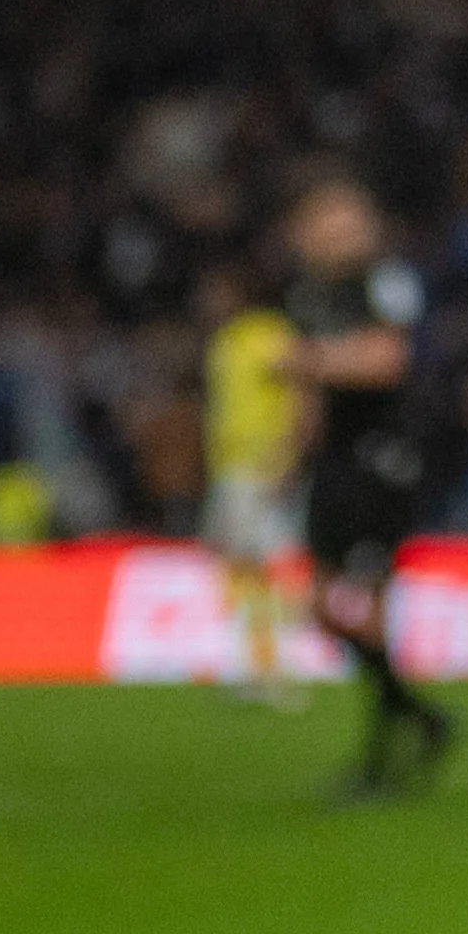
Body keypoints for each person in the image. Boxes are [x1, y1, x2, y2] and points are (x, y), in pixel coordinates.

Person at [281, 173, 457, 798]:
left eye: (351, 216)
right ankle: (423, 716)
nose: (342, 230)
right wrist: (289, 456)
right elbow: (312, 397)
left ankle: (382, 758)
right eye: (330, 218)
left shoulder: (386, 281)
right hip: (333, 462)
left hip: (384, 458)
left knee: (371, 604)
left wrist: (308, 362)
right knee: (320, 607)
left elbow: (388, 360)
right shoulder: (307, 295)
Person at [198, 263, 311, 706]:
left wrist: (288, 457)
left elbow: (302, 392)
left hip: (260, 469)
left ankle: (270, 668)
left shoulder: (268, 335)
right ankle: (251, 662)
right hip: (229, 471)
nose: (208, 300)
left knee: (258, 567)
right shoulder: (226, 340)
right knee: (239, 567)